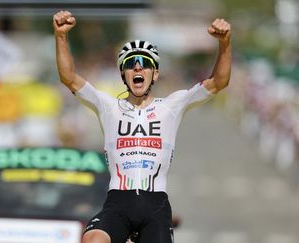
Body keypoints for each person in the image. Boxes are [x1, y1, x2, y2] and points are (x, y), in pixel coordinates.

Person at [53, 10, 231, 243]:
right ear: (123, 75)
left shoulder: (171, 105)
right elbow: (69, 77)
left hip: (155, 205)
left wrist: (225, 43)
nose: (138, 68)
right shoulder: (108, 106)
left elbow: (219, 81)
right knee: (92, 240)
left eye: (145, 64)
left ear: (155, 74)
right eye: (130, 64)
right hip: (118, 203)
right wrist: (60, 36)